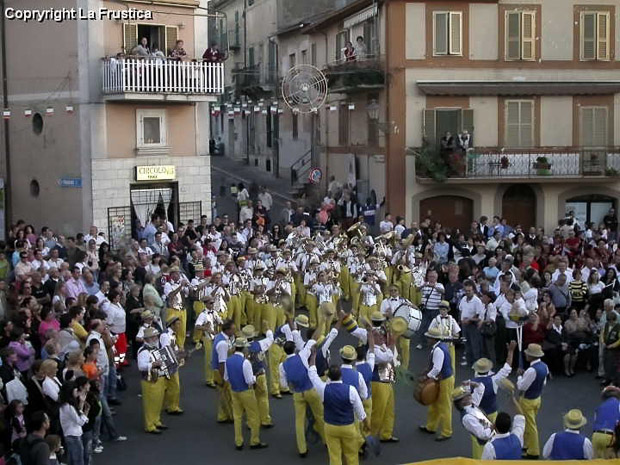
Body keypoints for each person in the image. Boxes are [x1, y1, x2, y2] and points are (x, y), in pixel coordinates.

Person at [308, 349, 368, 465]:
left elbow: (312, 374)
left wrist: (313, 356)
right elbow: (360, 411)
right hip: (348, 426)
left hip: (330, 427)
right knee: (351, 454)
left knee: (334, 456)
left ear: (329, 377)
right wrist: (366, 423)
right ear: (341, 376)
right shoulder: (351, 390)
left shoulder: (323, 389)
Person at [280, 335, 326, 458]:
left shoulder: (282, 366)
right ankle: (326, 440)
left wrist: (292, 388)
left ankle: (302, 449)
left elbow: (283, 384)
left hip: (297, 393)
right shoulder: (301, 355)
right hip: (310, 390)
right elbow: (311, 342)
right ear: (294, 348)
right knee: (320, 416)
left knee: (299, 421)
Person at [224, 337, 267, 450]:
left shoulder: (228, 360)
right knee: (253, 416)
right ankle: (254, 440)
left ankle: (238, 441)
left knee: (237, 417)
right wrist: (255, 377)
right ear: (243, 348)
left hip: (234, 391)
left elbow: (226, 378)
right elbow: (249, 381)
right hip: (246, 392)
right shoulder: (245, 362)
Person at [419, 327, 454, 441]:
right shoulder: (440, 347)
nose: (427, 339)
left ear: (433, 339)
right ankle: (431, 426)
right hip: (441, 379)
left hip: (444, 380)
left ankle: (447, 432)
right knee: (435, 403)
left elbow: (437, 368)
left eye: (429, 338)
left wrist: (427, 377)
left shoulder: (438, 350)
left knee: (445, 406)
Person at [517, 343, 549, 459]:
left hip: (527, 400)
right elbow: (543, 383)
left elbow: (521, 386)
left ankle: (533, 451)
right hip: (537, 398)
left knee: (530, 426)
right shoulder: (544, 366)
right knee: (528, 423)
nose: (526, 355)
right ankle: (527, 444)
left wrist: (520, 376)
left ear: (531, 356)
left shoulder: (531, 370)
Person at [136, 327, 167, 434]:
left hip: (158, 378)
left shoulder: (155, 348)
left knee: (158, 402)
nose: (156, 338)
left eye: (156, 336)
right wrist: (153, 364)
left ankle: (156, 420)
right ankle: (149, 425)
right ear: (147, 339)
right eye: (153, 337)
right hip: (149, 380)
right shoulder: (143, 351)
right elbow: (141, 366)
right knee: (150, 403)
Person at [212, 320, 235, 424]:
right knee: (227, 395)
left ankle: (223, 415)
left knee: (223, 395)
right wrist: (223, 378)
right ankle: (229, 415)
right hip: (221, 371)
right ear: (227, 330)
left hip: (219, 370)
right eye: (233, 329)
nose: (234, 331)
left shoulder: (221, 338)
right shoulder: (222, 344)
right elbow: (222, 362)